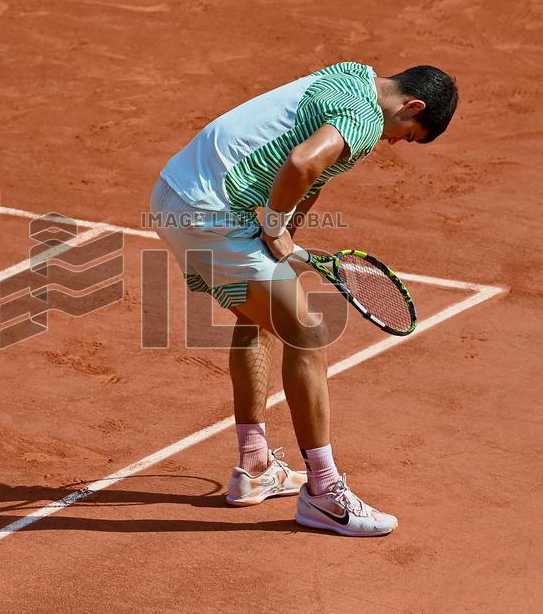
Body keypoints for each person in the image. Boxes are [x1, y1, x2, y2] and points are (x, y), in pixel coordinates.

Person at [149, 61, 458, 536]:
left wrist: (284, 233)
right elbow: (301, 163)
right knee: (309, 335)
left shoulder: (351, 74)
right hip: (210, 213)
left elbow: (311, 175)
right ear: (412, 106)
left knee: (258, 319)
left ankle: (254, 466)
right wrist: (272, 227)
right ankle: (324, 492)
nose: (395, 143)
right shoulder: (365, 116)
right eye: (408, 134)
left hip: (174, 193)